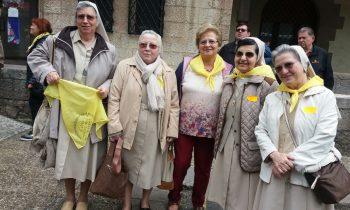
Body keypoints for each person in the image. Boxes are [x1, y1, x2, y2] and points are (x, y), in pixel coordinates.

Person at [27, 2, 117, 210]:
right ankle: (69, 197)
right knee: (67, 156)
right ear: (75, 19)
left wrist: (106, 86)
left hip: (91, 111)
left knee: (88, 156)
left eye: (90, 17)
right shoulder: (57, 41)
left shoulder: (109, 49)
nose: (85, 21)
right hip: (65, 109)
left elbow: (114, 77)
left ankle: (83, 197)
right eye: (81, 16)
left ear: (97, 21)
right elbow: (35, 56)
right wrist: (47, 71)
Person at [253, 44, 340, 210]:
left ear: (304, 64)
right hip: (275, 175)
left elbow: (325, 137)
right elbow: (260, 130)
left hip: (307, 178)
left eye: (289, 65)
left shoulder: (324, 97)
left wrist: (286, 162)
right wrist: (274, 155)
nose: (284, 71)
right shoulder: (273, 98)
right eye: (278, 68)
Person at [108, 30, 179, 210]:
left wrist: (171, 130)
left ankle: (145, 200)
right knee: (128, 166)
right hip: (130, 125)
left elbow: (174, 105)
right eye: (143, 44)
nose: (147, 49)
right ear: (138, 46)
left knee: (150, 167)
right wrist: (115, 125)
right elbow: (114, 98)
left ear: (159, 48)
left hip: (156, 126)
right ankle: (126, 202)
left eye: (152, 46)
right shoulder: (125, 66)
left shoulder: (168, 72)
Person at [206, 37, 278, 210]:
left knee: (243, 199)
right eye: (239, 54)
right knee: (222, 196)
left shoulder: (268, 84)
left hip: (249, 150)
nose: (243, 58)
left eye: (249, 54)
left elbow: (273, 123)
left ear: (258, 57)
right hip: (226, 147)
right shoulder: (230, 80)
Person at [168, 23, 232, 210]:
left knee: (203, 171)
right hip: (184, 127)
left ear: (219, 44)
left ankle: (198, 202)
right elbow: (173, 91)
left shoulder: (227, 70)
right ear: (198, 44)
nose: (207, 45)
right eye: (203, 41)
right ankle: (174, 198)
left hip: (211, 131)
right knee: (180, 165)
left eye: (212, 41)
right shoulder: (187, 64)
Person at [20, 18, 52, 141]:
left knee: (36, 106)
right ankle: (38, 130)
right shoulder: (40, 40)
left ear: (40, 27)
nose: (31, 27)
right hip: (38, 82)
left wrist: (32, 81)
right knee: (37, 105)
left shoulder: (44, 41)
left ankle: (36, 132)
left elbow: (42, 62)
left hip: (38, 82)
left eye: (33, 25)